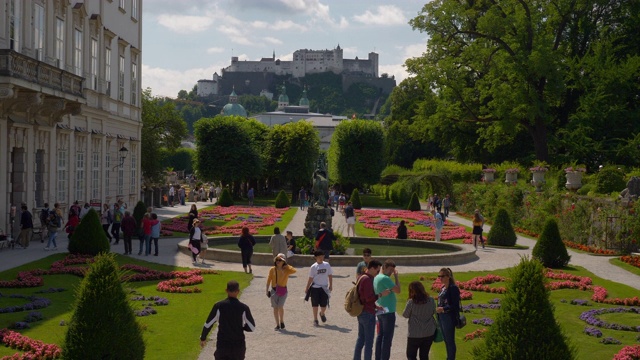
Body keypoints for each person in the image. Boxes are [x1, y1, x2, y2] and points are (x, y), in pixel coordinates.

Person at [200, 280, 255, 360]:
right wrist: (243, 327)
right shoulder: (244, 308)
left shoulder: (218, 306)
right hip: (238, 346)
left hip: (223, 345)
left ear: (226, 290)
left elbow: (208, 324)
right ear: (238, 291)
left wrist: (203, 338)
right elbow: (251, 327)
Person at [353, 259, 385, 360]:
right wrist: (380, 294)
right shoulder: (367, 279)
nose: (378, 273)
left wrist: (376, 306)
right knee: (369, 342)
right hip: (368, 313)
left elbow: (363, 297)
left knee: (361, 339)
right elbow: (368, 298)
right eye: (377, 270)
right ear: (371, 268)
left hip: (361, 311)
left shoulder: (361, 276)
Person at [374, 259, 401, 360]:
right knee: (387, 338)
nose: (390, 273)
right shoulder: (385, 278)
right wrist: (396, 277)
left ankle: (378, 357)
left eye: (392, 271)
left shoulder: (377, 277)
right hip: (388, 311)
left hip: (381, 309)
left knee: (381, 336)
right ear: (383, 268)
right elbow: (398, 290)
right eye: (389, 270)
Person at [402, 281, 437, 360]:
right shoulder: (431, 300)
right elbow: (434, 311)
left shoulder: (411, 302)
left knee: (411, 356)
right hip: (429, 332)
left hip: (415, 334)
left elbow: (405, 315)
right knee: (424, 356)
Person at [266, 253, 297, 330]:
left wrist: (287, 266)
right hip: (274, 290)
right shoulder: (272, 269)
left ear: (283, 261)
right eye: (277, 260)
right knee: (275, 308)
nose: (278, 261)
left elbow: (294, 271)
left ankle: (282, 321)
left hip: (283, 290)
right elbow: (268, 280)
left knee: (280, 306)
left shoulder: (287, 270)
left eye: (280, 260)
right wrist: (266, 290)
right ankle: (277, 324)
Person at [436, 268, 461, 360]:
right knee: (446, 340)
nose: (440, 278)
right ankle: (449, 357)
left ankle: (451, 358)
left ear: (448, 277)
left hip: (449, 317)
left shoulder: (453, 288)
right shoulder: (443, 288)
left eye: (442, 276)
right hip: (441, 316)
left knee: (450, 341)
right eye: (439, 276)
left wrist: (443, 308)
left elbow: (455, 305)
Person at [305, 250, 333, 326]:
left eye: (322, 256)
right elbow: (310, 278)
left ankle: (322, 313)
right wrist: (307, 287)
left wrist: (331, 285)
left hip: (324, 287)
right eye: (319, 256)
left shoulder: (327, 265)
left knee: (324, 305)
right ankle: (315, 319)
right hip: (315, 287)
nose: (321, 258)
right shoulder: (313, 267)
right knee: (315, 304)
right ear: (316, 257)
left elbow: (330, 275)